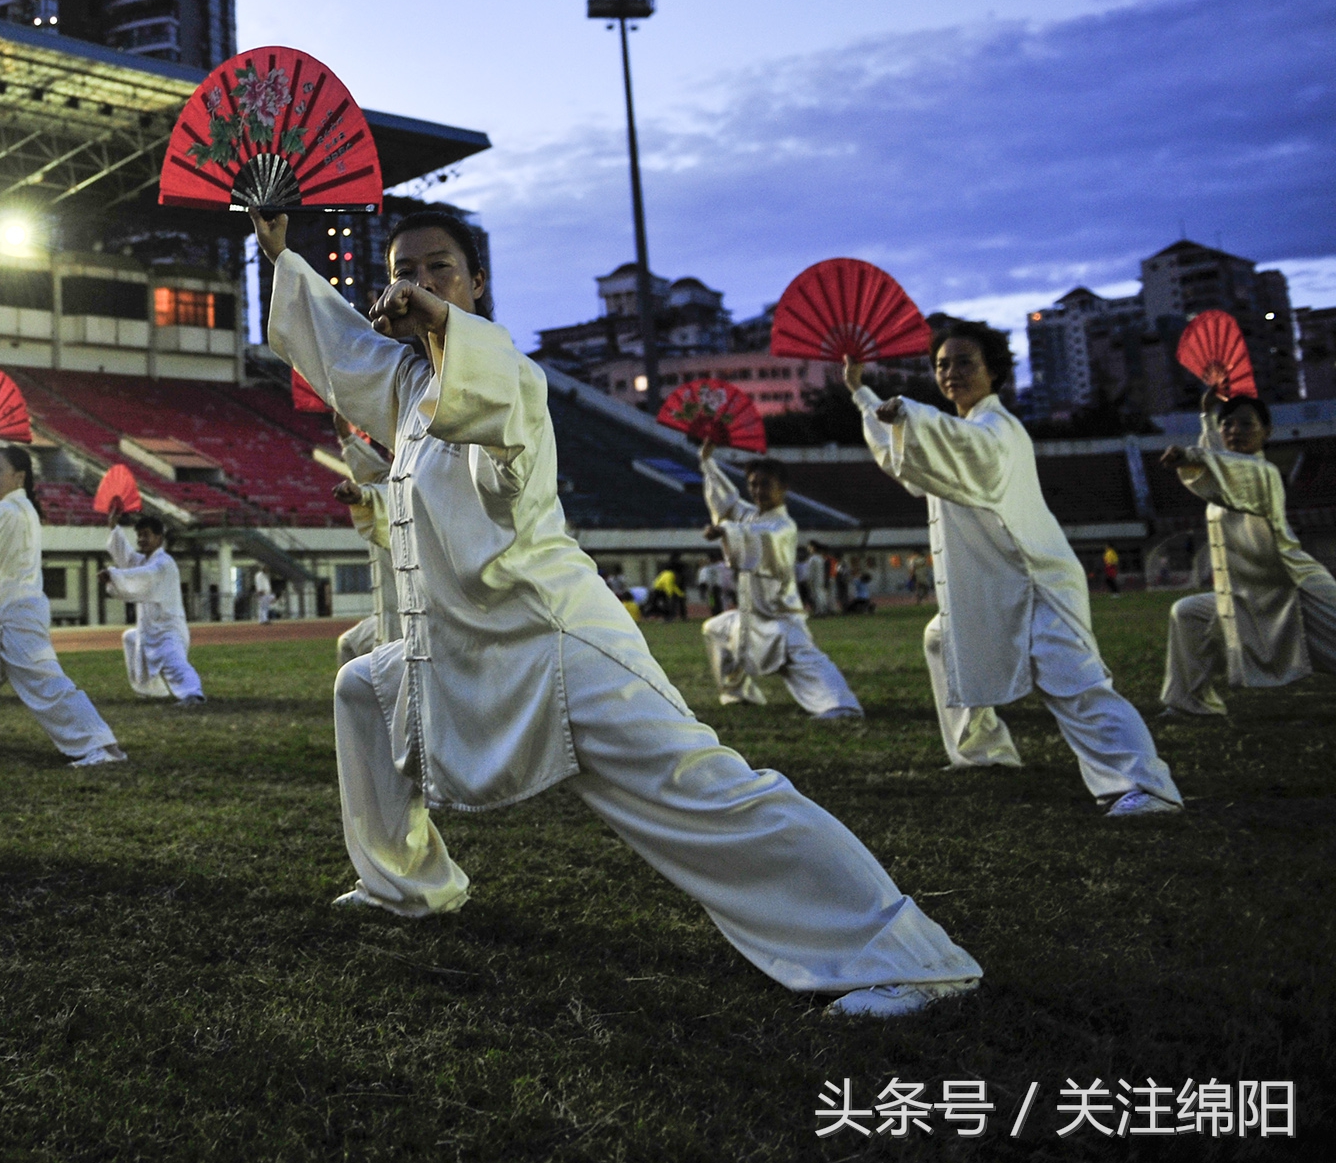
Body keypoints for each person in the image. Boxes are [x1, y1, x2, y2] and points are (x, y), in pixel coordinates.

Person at [262, 206, 980, 1018]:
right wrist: (283, 255)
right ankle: (402, 883)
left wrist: (441, 324)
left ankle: (907, 955)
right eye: (404, 271)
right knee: (363, 686)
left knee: (704, 793)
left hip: (553, 643)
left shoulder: (507, 378)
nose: (419, 284)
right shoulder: (410, 390)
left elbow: (493, 409)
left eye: (440, 269)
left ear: (477, 284)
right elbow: (346, 350)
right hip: (464, 648)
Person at [851, 331, 1180, 816]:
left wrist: (911, 414)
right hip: (992, 585)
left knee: (1075, 683)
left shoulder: (997, 428)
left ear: (995, 371)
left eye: (964, 363)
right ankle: (983, 753)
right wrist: (862, 392)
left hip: (1036, 581)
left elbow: (958, 446)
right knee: (942, 638)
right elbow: (907, 460)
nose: (951, 373)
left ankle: (1147, 786)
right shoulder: (957, 432)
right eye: (942, 365)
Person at [0, 444, 124, 767]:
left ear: (19, 477)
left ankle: (99, 746)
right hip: (1, 612)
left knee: (44, 682)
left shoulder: (13, 512)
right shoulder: (10, 509)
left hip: (18, 615)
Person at [1159, 396, 1336, 717]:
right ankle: (1188, 703)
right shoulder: (1226, 468)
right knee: (1187, 614)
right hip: (1248, 597)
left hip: (1296, 588)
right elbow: (1220, 459)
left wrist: (1189, 455)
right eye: (1228, 423)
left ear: (1266, 432)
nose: (1234, 430)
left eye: (1246, 424)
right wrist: (1208, 411)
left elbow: (1228, 469)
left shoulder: (1263, 473)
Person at [697, 448, 863, 719]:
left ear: (783, 488)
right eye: (753, 484)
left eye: (765, 484)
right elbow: (728, 505)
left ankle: (842, 706)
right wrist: (707, 464)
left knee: (808, 661)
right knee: (715, 629)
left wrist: (725, 531)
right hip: (751, 618)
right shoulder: (751, 517)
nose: (758, 490)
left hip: (780, 618)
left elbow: (761, 538)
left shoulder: (783, 526)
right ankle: (736, 692)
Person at [107, 512, 204, 706]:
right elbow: (125, 556)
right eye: (139, 535)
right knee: (130, 638)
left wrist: (112, 575)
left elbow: (143, 576)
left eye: (146, 535)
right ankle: (152, 690)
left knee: (174, 663)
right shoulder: (143, 560)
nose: (141, 540)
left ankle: (193, 694)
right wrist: (114, 527)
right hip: (149, 630)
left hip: (168, 629)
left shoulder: (163, 564)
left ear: (159, 538)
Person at [334, 422, 401, 664]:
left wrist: (364, 496)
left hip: (422, 614)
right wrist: (344, 431)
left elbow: (392, 498)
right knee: (350, 644)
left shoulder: (424, 484)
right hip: (389, 614)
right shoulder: (388, 477)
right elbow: (373, 473)